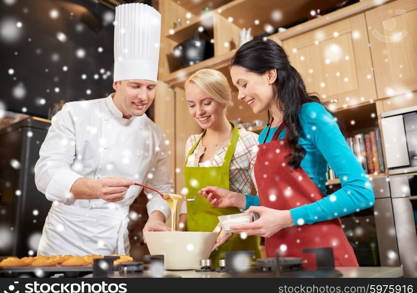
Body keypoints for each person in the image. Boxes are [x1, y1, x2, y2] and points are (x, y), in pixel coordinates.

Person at [200, 38, 375, 267]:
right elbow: (282, 203)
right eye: (237, 88)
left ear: (270, 75)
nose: (240, 95)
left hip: (320, 255)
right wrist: (238, 199)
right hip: (280, 259)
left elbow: (361, 192)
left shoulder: (311, 115)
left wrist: (285, 219)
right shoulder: (265, 135)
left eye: (244, 84)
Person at [34, 3, 172, 256]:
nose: (144, 96)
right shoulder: (76, 114)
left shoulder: (156, 135)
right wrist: (92, 188)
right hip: (64, 240)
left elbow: (161, 190)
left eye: (150, 88)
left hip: (115, 242)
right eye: (135, 86)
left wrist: (157, 218)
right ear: (117, 83)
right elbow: (45, 173)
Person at [180, 69, 260, 265]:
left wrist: (232, 224)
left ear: (224, 99)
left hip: (237, 252)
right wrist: (178, 229)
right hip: (197, 252)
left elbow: (266, 204)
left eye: (207, 103)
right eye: (191, 105)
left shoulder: (249, 142)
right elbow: (190, 199)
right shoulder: (192, 144)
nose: (199, 112)